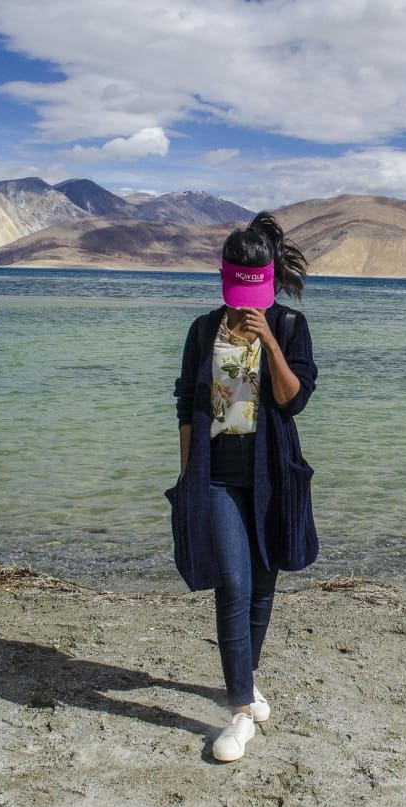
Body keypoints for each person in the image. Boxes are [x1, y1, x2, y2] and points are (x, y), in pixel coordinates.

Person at [169, 211, 319, 762]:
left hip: (272, 475)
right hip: (215, 476)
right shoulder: (203, 330)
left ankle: (245, 680)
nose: (244, 301)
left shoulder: (288, 326)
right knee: (232, 583)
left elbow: (294, 399)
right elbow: (186, 401)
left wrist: (270, 345)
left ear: (269, 280)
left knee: (261, 585)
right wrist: (187, 476)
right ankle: (238, 710)